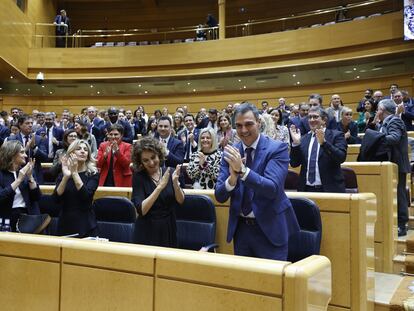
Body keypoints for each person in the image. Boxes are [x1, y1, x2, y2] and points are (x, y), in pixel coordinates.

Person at [215, 103, 299, 260]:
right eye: (239, 126)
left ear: (259, 123)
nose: (244, 130)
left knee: (273, 283)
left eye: (248, 124)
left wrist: (243, 171)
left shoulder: (277, 148)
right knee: (246, 282)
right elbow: (220, 195)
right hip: (241, 231)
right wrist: (232, 179)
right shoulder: (231, 152)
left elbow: (271, 188)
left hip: (270, 229)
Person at [131, 137, 184, 247]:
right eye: (145, 160)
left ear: (159, 155)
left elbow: (181, 200)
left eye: (153, 157)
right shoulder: (139, 177)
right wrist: (160, 187)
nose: (151, 163)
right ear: (140, 162)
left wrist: (175, 184)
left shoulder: (171, 171)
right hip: (147, 229)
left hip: (168, 227)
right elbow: (142, 210)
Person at [290, 106, 347, 192]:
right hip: (306, 189)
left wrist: (324, 143)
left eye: (315, 117)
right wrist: (296, 144)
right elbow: (294, 163)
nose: (312, 120)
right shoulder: (303, 138)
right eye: (309, 117)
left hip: (329, 189)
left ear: (324, 120)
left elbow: (341, 157)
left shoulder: (336, 135)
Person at [376, 99, 410, 236]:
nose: (376, 112)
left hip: (397, 164)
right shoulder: (384, 122)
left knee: (399, 194)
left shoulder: (394, 120)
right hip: (389, 164)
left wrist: (376, 137)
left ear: (383, 110)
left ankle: (402, 225)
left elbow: (394, 138)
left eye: (378, 109)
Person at [53, 139, 99, 237]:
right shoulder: (64, 173)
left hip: (85, 224)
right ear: (71, 153)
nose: (83, 151)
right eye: (78, 149)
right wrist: (66, 177)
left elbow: (86, 197)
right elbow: (55, 199)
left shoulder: (93, 174)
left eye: (85, 150)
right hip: (65, 223)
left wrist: (74, 173)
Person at [0, 141, 42, 231]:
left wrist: (30, 177)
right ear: (11, 154)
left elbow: (37, 197)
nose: (26, 156)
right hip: (6, 218)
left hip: (27, 216)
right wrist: (19, 180)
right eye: (22, 152)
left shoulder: (27, 171)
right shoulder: (1, 174)